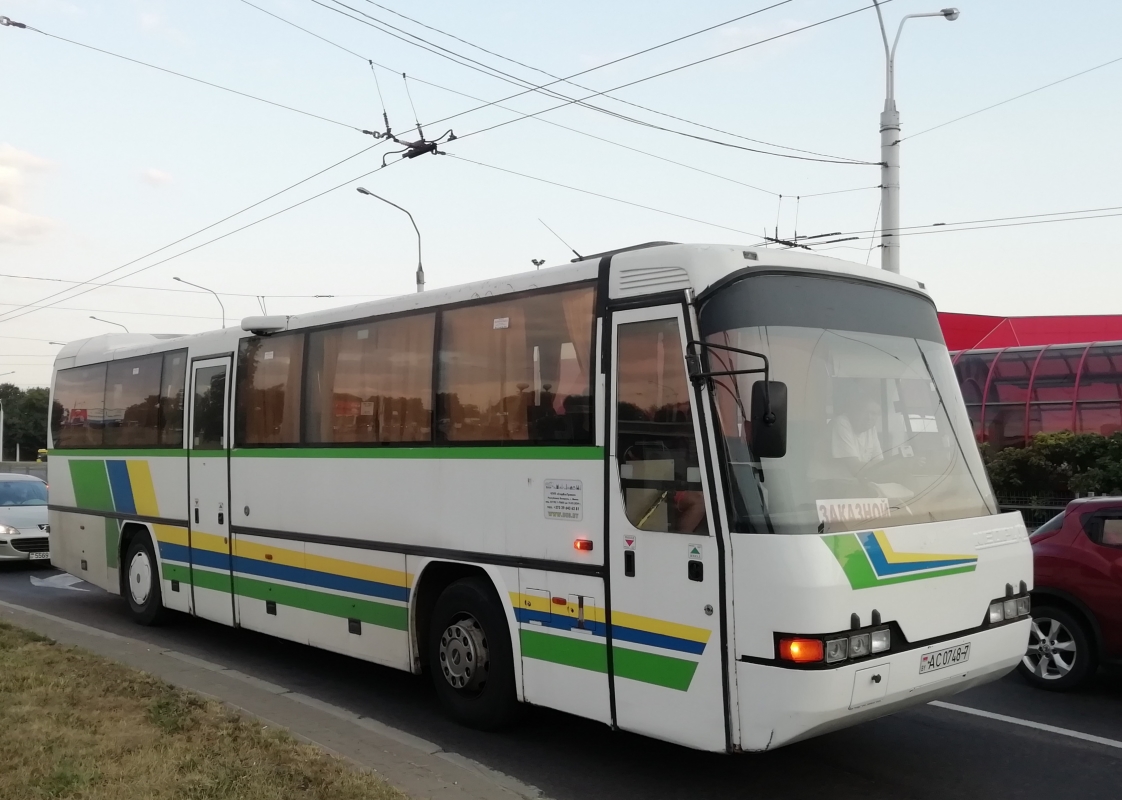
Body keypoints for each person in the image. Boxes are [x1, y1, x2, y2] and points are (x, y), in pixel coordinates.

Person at [831, 397, 884, 470]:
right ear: (854, 412)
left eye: (874, 413)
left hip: (853, 479)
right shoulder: (841, 422)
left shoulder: (871, 428)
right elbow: (855, 468)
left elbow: (879, 461)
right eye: (865, 412)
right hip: (826, 480)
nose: (869, 417)